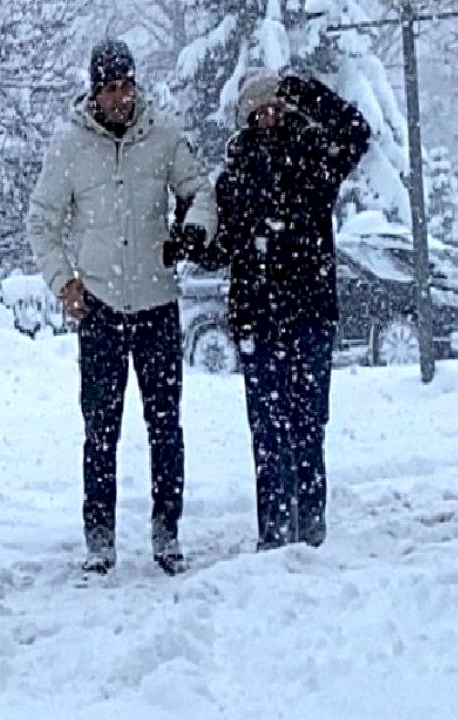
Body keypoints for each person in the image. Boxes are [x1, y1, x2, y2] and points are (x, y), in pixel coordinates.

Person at [27, 39, 217, 577]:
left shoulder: (165, 135)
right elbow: (42, 221)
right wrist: (64, 281)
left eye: (127, 85)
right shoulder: (69, 147)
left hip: (157, 302)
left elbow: (200, 189)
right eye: (110, 87)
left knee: (166, 426)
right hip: (101, 309)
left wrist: (195, 229)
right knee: (100, 429)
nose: (121, 97)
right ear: (95, 90)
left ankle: (167, 530)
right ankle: (99, 536)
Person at [190, 69, 370, 551]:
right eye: (259, 110)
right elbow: (222, 247)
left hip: (309, 313)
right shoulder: (235, 174)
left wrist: (309, 90)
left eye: (275, 106)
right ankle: (274, 532)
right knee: (269, 433)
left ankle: (310, 530)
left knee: (308, 426)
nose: (268, 116)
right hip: (258, 321)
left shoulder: (314, 156)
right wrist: (190, 239)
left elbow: (356, 131)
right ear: (247, 117)